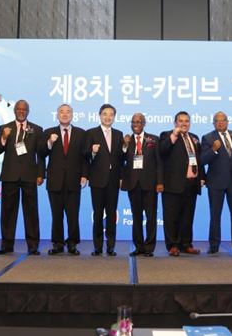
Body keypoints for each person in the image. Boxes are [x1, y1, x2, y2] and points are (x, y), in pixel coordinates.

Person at [0, 100, 44, 255]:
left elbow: (41, 154)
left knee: (31, 212)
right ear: (14, 110)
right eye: (19, 109)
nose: (21, 111)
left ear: (28, 111)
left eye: (24, 109)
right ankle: (6, 245)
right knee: (8, 212)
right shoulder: (5, 128)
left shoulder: (37, 129)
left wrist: (41, 174)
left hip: (30, 175)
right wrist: (3, 137)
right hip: (10, 175)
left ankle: (33, 245)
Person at [40, 104, 88, 256]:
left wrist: (85, 175)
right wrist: (49, 142)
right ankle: (58, 244)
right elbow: (41, 153)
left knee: (73, 215)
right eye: (61, 112)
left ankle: (72, 243)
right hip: (55, 180)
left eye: (68, 112)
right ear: (57, 115)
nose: (65, 114)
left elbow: (85, 157)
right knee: (56, 215)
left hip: (74, 180)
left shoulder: (81, 133)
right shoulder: (49, 132)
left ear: (72, 115)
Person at [200, 111, 232, 255]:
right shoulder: (208, 138)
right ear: (213, 123)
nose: (220, 122)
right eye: (217, 121)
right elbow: (202, 160)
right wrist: (213, 150)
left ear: (227, 121)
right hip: (216, 182)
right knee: (215, 214)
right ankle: (214, 245)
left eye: (223, 120)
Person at [159, 111, 204, 257]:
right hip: (173, 184)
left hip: (191, 184)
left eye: (186, 121)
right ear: (175, 123)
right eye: (181, 121)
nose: (184, 124)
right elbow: (162, 150)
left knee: (187, 217)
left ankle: (186, 244)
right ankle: (172, 245)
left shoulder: (194, 138)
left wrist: (201, 177)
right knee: (171, 217)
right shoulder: (167, 135)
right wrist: (174, 134)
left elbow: (198, 159)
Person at [121, 113, 163, 257]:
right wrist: (124, 146)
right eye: (134, 122)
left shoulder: (153, 139)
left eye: (139, 122)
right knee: (136, 217)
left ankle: (149, 247)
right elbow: (120, 160)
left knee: (151, 217)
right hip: (133, 184)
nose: (136, 124)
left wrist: (160, 182)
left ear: (144, 124)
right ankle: (139, 247)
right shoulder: (126, 140)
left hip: (150, 184)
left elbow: (159, 162)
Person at [85, 104, 124, 256]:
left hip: (113, 181)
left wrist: (121, 177)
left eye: (111, 114)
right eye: (105, 114)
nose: (108, 117)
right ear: (100, 115)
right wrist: (92, 151)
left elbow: (121, 159)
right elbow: (84, 155)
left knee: (111, 214)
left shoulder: (119, 134)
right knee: (98, 215)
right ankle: (97, 246)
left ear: (114, 117)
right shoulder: (91, 133)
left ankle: (111, 246)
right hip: (97, 180)